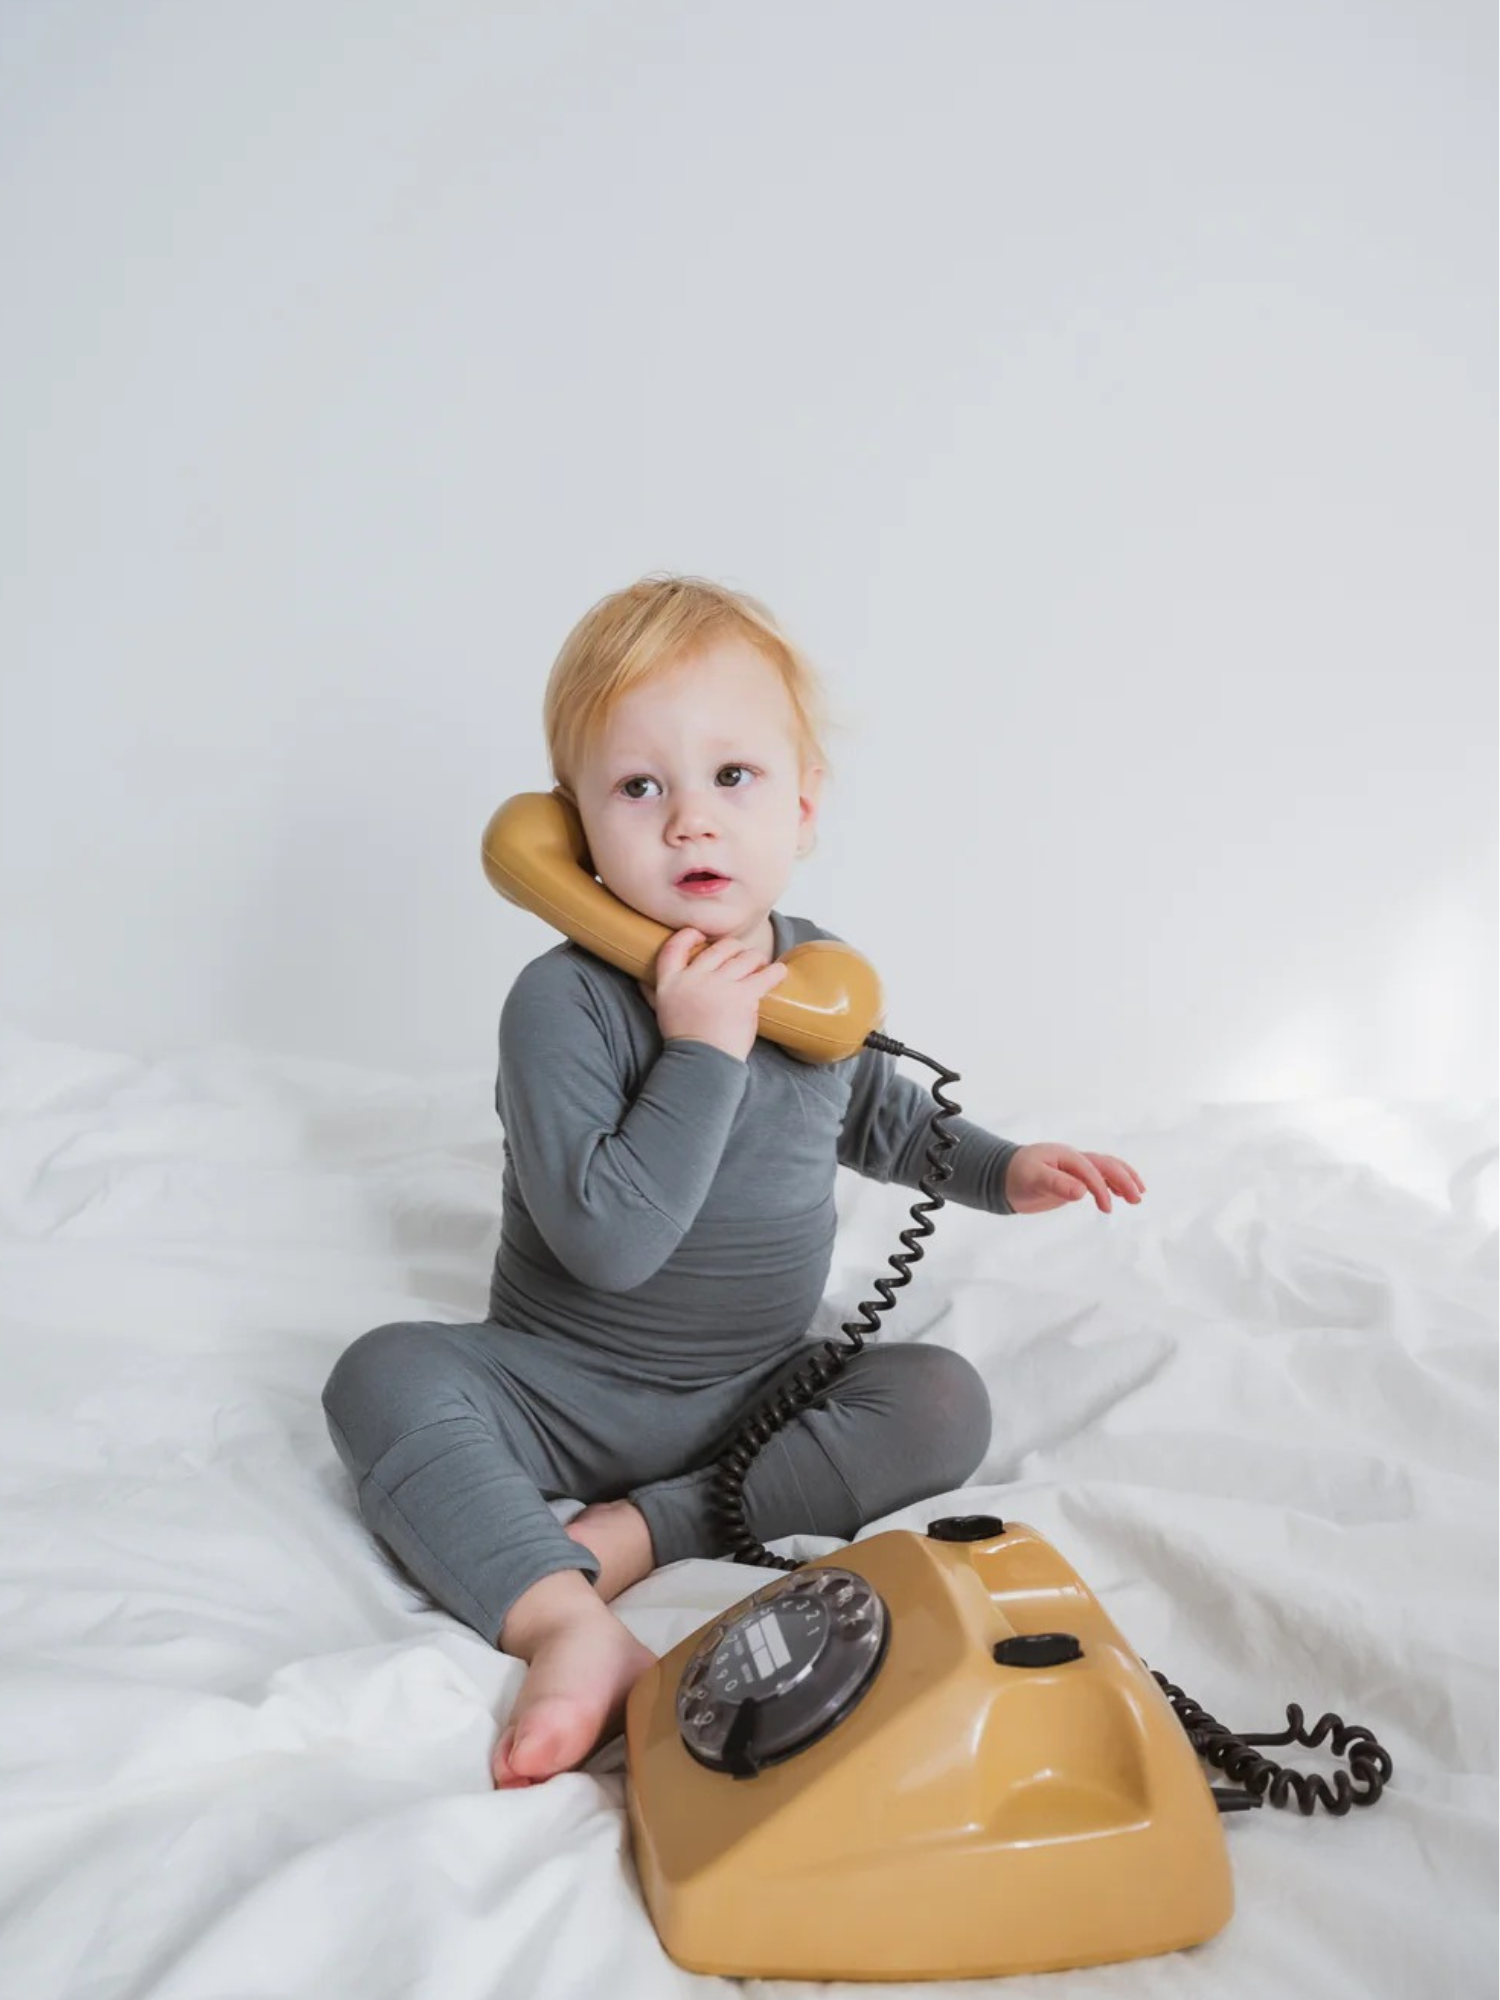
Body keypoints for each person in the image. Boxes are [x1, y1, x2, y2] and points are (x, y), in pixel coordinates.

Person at [321, 574, 1146, 1790]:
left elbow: (874, 1111)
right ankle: (563, 1620)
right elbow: (610, 1241)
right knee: (379, 1373)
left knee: (941, 1399)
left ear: (805, 809)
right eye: (639, 787)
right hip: (557, 1385)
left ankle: (645, 1530)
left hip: (747, 1390)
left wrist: (1001, 1166)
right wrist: (701, 1044)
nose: (690, 822)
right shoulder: (561, 1004)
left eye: (733, 778)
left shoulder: (814, 985)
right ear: (569, 833)